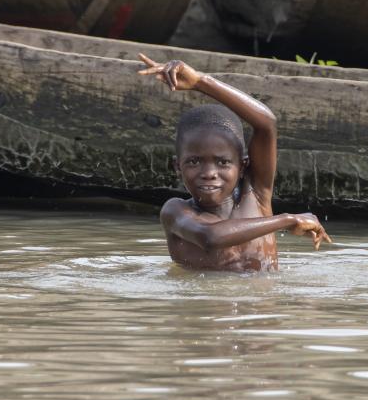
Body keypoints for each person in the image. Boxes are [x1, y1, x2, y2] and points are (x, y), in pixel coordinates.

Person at [137, 54, 331, 272]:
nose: (209, 173)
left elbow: (267, 124)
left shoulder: (256, 192)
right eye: (194, 162)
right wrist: (288, 219)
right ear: (177, 166)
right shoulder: (175, 212)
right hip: (206, 307)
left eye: (223, 163)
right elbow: (210, 236)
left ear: (243, 166)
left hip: (265, 306)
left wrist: (201, 81)